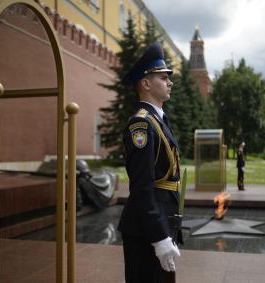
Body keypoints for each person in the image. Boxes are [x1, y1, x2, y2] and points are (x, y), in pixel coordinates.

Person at [118, 42, 182, 283]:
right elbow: (142, 187)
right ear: (145, 84)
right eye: (163, 77)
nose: (170, 82)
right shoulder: (142, 125)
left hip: (160, 224)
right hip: (147, 231)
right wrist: (159, 237)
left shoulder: (158, 120)